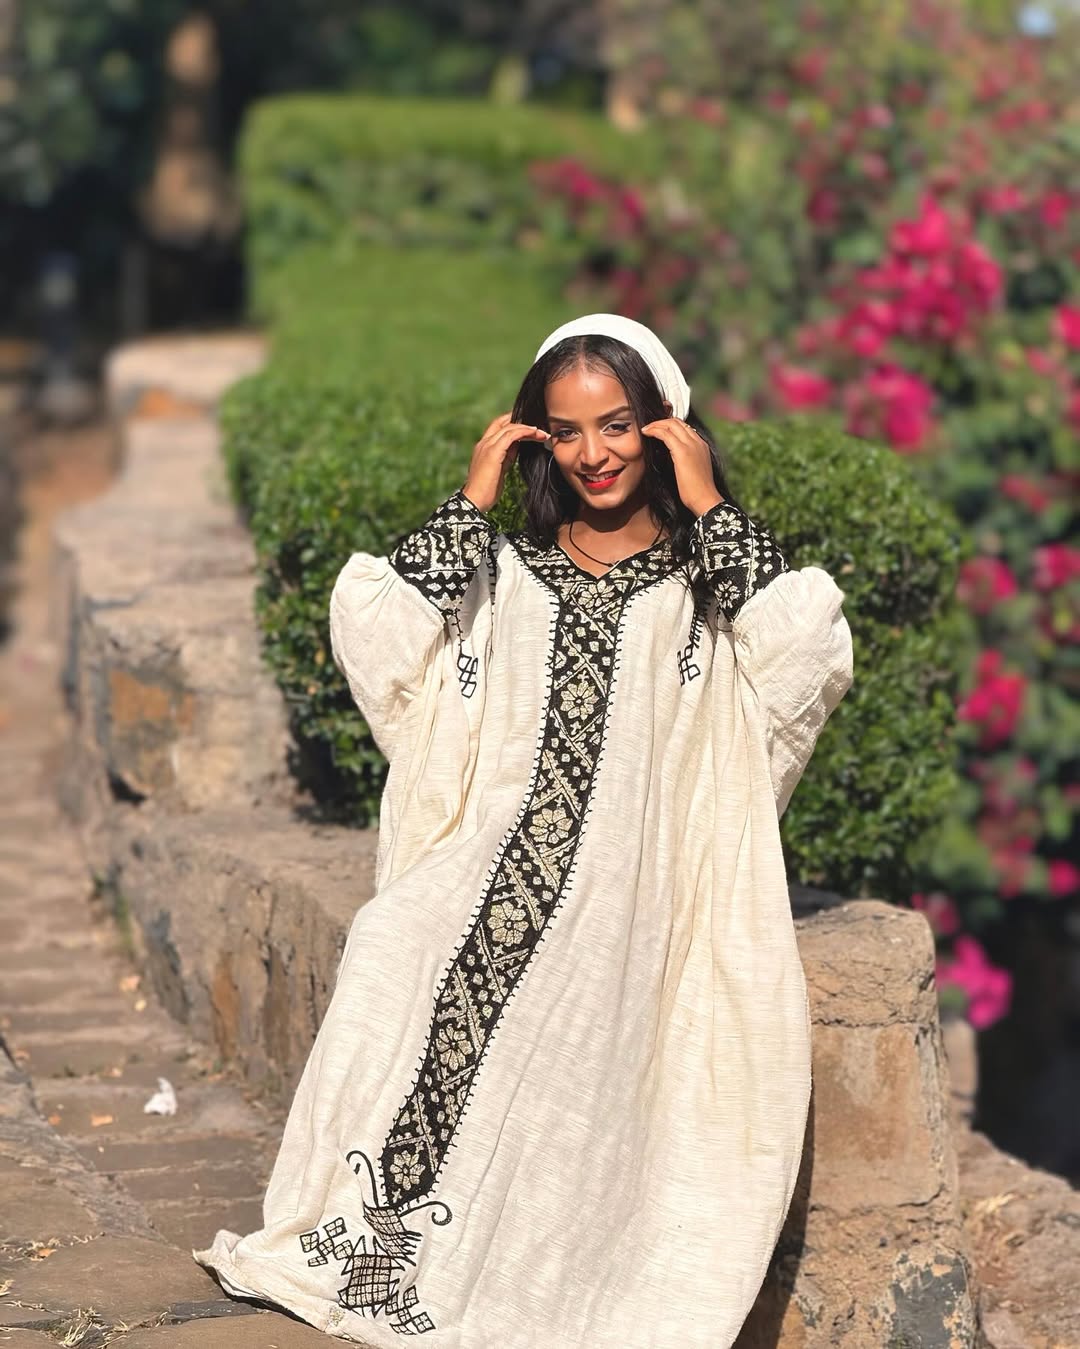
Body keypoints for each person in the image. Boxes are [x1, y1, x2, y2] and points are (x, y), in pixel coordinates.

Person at [195, 313, 854, 1347]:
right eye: (566, 429)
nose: (594, 453)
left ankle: (532, 1279)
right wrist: (471, 495)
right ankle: (378, 1248)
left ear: (664, 426)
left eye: (620, 424)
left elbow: (805, 651)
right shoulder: (505, 575)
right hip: (482, 866)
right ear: (535, 437)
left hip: (630, 896)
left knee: (573, 1010)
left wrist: (712, 505)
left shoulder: (700, 587)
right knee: (388, 944)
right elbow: (377, 632)